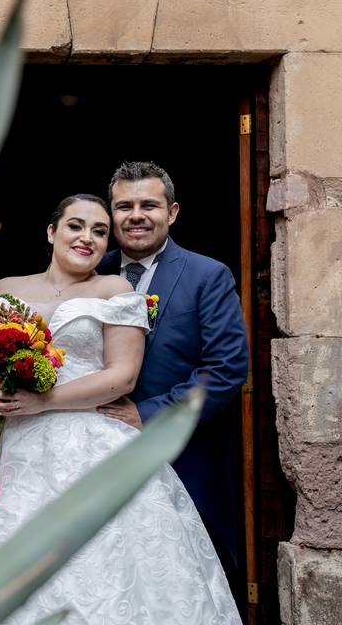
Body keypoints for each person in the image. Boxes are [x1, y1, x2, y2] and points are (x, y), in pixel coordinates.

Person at [0, 194, 240, 624]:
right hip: (8, 443)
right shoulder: (6, 289)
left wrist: (42, 402)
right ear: (51, 231)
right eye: (76, 226)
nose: (87, 238)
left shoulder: (115, 290)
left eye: (99, 231)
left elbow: (122, 376)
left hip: (92, 438)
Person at [96, 161, 249, 582]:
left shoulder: (207, 275)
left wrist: (145, 415)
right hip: (93, 456)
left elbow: (226, 369)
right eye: (124, 206)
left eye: (149, 204)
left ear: (173, 212)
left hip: (183, 458)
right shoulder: (87, 274)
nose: (136, 215)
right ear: (111, 214)